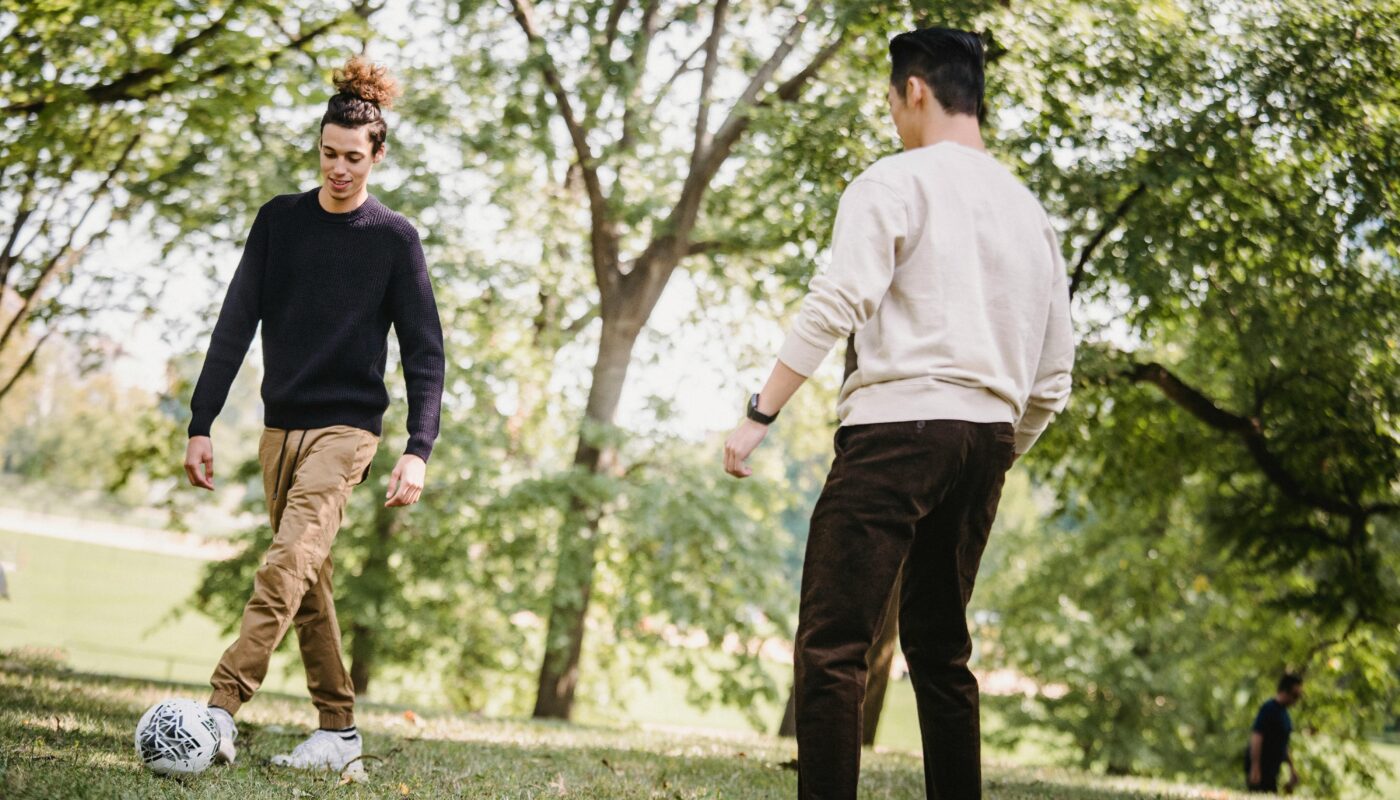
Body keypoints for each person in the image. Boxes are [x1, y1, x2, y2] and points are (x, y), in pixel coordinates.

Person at [723, 27, 1074, 800]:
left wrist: (761, 412)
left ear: (913, 90)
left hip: (896, 431)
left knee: (833, 648)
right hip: (986, 439)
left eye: (891, 100)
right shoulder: (1031, 215)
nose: (892, 117)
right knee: (943, 653)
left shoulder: (893, 183)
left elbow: (838, 300)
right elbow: (1052, 380)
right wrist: (999, 449)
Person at [182, 56, 444, 772]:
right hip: (279, 430)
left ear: (378, 155)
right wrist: (202, 421)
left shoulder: (395, 241)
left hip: (348, 431)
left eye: (353, 158)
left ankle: (218, 712)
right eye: (329, 154)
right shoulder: (279, 222)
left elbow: (425, 353)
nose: (338, 169)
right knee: (306, 583)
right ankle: (339, 731)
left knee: (287, 562)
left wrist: (418, 446)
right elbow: (234, 324)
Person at [1245, 674, 1303, 793]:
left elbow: (1283, 744)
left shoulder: (1285, 715)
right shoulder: (1269, 709)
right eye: (1295, 695)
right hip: (1262, 768)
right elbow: (1257, 737)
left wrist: (1292, 769)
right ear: (1285, 691)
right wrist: (1255, 767)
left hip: (1273, 770)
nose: (1297, 700)